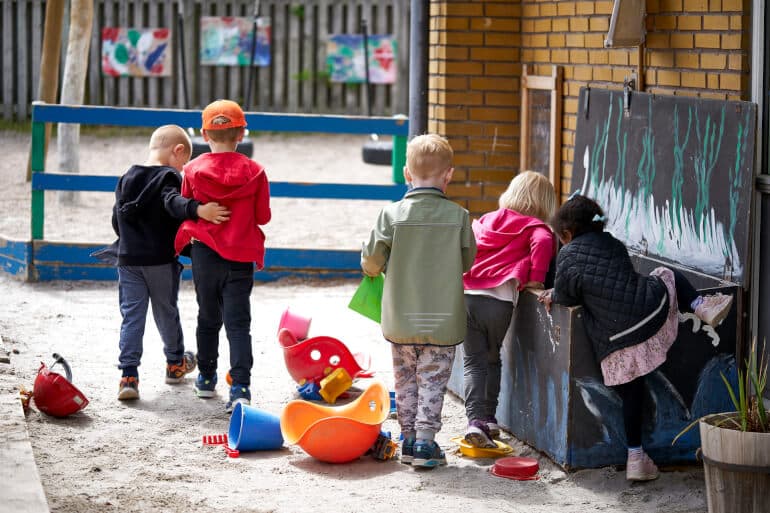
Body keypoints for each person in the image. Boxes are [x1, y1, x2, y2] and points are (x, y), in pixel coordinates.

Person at [537, 194, 734, 481]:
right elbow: (622, 279)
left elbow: (568, 295)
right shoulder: (614, 244)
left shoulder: (567, 255)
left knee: (632, 392)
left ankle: (635, 454)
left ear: (567, 233)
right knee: (667, 274)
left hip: (614, 337)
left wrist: (554, 293)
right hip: (646, 313)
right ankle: (701, 306)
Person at [361, 133, 476, 468]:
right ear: (448, 175)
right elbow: (467, 263)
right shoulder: (459, 216)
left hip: (401, 318)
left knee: (405, 379)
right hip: (443, 320)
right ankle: (426, 443)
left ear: (406, 174)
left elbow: (371, 262)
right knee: (433, 380)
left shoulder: (391, 215)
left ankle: (408, 440)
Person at [111, 124, 231, 401]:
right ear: (177, 151)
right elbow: (173, 203)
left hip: (127, 260)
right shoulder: (168, 177)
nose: (184, 167)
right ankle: (175, 364)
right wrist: (197, 209)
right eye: (184, 161)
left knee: (131, 316)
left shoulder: (127, 176)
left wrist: (130, 241)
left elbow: (116, 220)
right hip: (160, 261)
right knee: (166, 312)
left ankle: (128, 376)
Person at [174, 99, 272, 413]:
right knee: (238, 323)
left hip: (205, 255)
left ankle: (205, 377)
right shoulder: (256, 172)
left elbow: (186, 207)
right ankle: (241, 386)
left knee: (207, 317)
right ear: (242, 133)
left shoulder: (191, 169)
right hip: (241, 255)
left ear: (204, 133)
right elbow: (263, 216)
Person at [461, 171, 557, 448]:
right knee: (493, 358)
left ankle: (476, 419)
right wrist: (536, 278)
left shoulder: (488, 219)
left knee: (473, 362)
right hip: (500, 301)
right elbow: (543, 242)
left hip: (467, 295)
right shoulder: (536, 227)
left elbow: (471, 236)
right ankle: (488, 418)